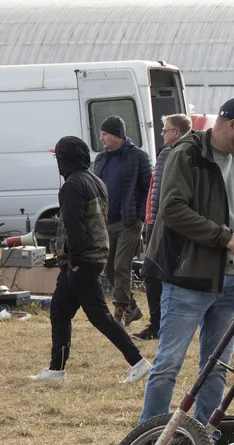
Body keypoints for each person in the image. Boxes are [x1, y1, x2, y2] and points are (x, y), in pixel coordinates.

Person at [140, 97, 234, 425]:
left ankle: (203, 438)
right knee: (169, 364)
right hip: (189, 278)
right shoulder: (188, 154)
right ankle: (146, 438)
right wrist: (222, 235)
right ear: (231, 125)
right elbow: (172, 210)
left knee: (217, 367)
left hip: (229, 279)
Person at [30, 135, 152, 382]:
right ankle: (56, 369)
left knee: (100, 316)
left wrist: (73, 260)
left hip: (81, 260)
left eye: (58, 157)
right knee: (60, 311)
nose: (57, 161)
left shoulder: (72, 185)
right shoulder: (94, 179)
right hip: (91, 256)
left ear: (65, 158)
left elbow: (75, 225)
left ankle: (138, 362)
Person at [133, 114, 191, 342]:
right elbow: (154, 191)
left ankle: (159, 326)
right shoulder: (170, 153)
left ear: (176, 132)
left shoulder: (174, 154)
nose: (162, 133)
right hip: (158, 222)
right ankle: (161, 324)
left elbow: (164, 195)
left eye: (165, 130)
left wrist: (154, 223)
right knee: (158, 275)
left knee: (153, 274)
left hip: (163, 225)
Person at [91, 115, 152, 327]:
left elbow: (149, 187)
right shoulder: (101, 158)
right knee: (108, 268)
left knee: (121, 265)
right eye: (101, 134)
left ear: (117, 134)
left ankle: (118, 314)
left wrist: (139, 215)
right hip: (107, 221)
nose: (102, 138)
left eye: (105, 134)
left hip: (129, 221)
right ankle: (132, 307)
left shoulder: (138, 157)